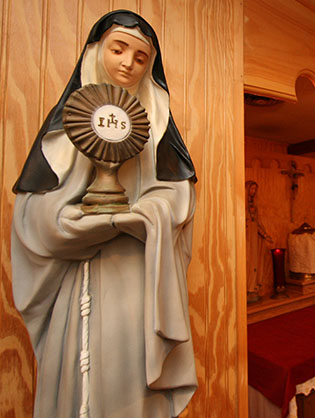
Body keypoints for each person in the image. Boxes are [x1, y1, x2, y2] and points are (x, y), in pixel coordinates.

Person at [11, 10, 197, 418]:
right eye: (118, 49)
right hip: (76, 279)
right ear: (96, 51)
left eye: (141, 57)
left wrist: (151, 210)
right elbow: (32, 210)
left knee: (128, 383)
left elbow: (178, 195)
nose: (128, 63)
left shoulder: (157, 126)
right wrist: (65, 222)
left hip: (136, 280)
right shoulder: (64, 129)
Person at [245, 181, 273, 303]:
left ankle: (252, 288)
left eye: (255, 189)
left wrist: (265, 235)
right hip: (246, 238)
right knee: (247, 262)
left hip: (254, 238)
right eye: (252, 189)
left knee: (254, 263)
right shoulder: (242, 206)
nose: (254, 192)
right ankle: (245, 288)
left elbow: (257, 224)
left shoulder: (254, 206)